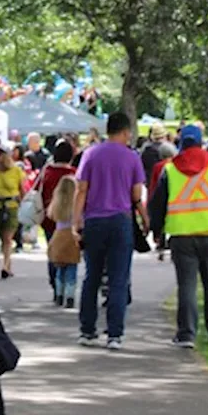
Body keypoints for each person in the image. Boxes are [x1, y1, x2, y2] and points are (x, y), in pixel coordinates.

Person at [149, 125, 208, 348]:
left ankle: (186, 334)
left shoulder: (170, 169)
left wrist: (157, 232)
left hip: (182, 236)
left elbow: (158, 204)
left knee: (187, 286)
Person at [73, 112, 146, 351]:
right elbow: (136, 195)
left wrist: (77, 221)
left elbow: (81, 189)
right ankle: (114, 334)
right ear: (125, 132)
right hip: (120, 221)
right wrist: (145, 220)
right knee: (118, 278)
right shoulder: (132, 157)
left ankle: (87, 330)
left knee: (91, 276)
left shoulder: (90, 154)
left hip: (94, 220)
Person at [46, 175, 80, 307]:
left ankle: (59, 294)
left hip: (58, 236)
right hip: (71, 237)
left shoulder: (56, 205)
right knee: (72, 268)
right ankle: (70, 296)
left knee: (60, 268)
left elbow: (51, 216)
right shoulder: (75, 206)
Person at [0, 145, 25, 279]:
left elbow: (22, 189)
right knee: (2, 237)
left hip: (12, 206)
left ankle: (5, 266)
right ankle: (8, 264)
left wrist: (24, 205)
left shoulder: (16, 170)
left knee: (7, 238)